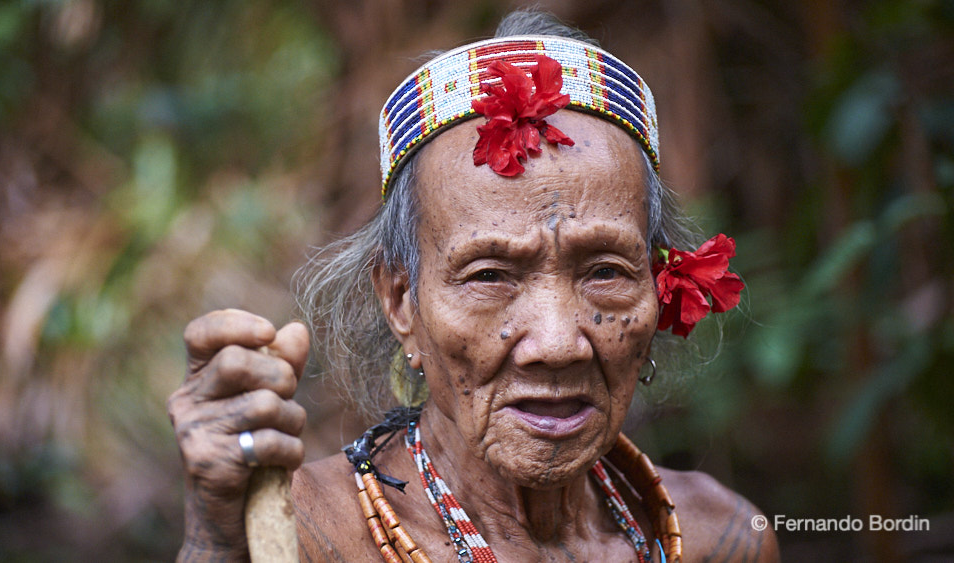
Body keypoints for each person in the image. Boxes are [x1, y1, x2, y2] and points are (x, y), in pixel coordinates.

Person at [168, 10, 779, 563]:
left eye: (604, 272)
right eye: (489, 277)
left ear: (657, 286)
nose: (557, 342)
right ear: (401, 301)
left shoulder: (720, 539)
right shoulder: (302, 535)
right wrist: (215, 544)